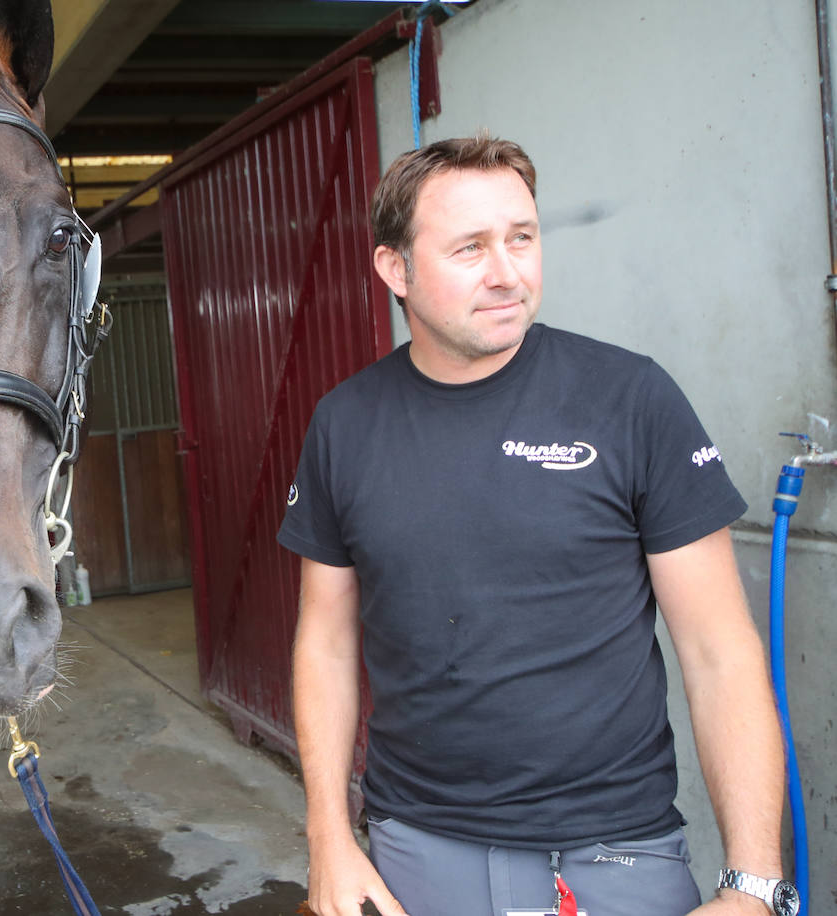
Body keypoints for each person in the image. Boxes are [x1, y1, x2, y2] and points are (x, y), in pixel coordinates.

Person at [278, 136, 794, 916]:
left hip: (617, 855)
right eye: (470, 248)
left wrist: (752, 885)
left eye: (521, 238)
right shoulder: (344, 424)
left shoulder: (630, 399)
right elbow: (325, 641)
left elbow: (720, 650)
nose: (506, 272)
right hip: (415, 851)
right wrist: (328, 837)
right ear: (395, 269)